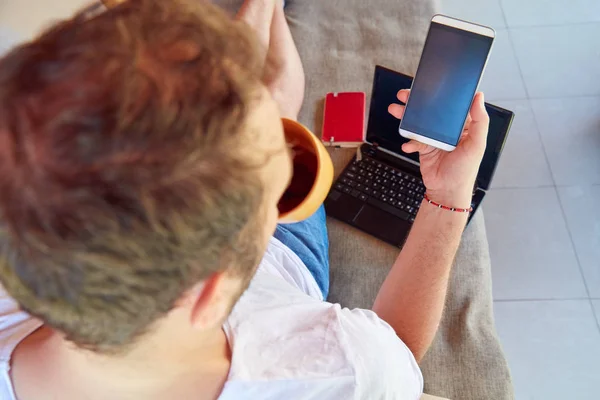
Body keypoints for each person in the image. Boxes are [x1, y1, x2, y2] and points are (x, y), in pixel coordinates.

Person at [0, 0, 489, 399]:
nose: (288, 150)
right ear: (213, 294)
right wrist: (448, 193)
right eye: (279, 191)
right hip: (287, 267)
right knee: (278, 99)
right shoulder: (339, 368)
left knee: (255, 101)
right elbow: (396, 350)